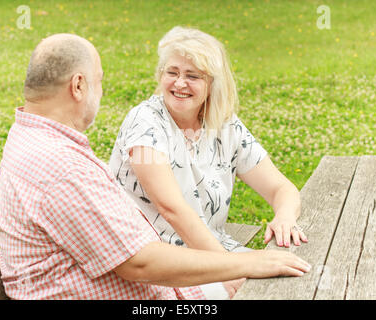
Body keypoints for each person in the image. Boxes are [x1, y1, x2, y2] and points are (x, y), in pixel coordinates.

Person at [0, 33, 311, 300]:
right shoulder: (62, 164)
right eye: (99, 81)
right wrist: (241, 265)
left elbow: (132, 257)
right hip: (168, 285)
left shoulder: (42, 141)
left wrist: (255, 248)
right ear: (78, 86)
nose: (180, 83)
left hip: (176, 276)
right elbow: (141, 262)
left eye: (194, 75)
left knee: (293, 279)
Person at [109, 26, 309, 296]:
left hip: (213, 253)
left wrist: (284, 217)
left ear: (213, 84)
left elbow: (281, 189)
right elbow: (172, 209)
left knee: (299, 279)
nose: (179, 83)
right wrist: (230, 269)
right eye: (172, 73)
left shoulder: (224, 124)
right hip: (161, 264)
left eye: (192, 76)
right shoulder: (145, 123)